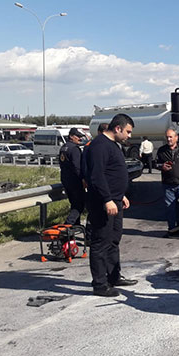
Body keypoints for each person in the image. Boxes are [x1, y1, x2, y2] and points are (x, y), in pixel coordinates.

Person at [85, 113, 136, 297]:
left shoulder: (113, 145)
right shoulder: (99, 146)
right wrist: (107, 199)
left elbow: (112, 173)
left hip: (116, 200)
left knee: (114, 240)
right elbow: (97, 176)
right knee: (100, 243)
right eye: (128, 132)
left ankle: (114, 276)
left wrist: (120, 195)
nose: (129, 136)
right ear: (118, 128)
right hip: (103, 204)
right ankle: (100, 284)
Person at [59, 127, 86, 225]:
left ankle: (75, 227)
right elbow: (77, 167)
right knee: (79, 206)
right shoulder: (74, 149)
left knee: (74, 204)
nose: (80, 139)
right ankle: (67, 227)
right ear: (71, 136)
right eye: (78, 136)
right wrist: (83, 180)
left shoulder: (64, 147)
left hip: (66, 180)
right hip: (75, 182)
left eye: (81, 136)